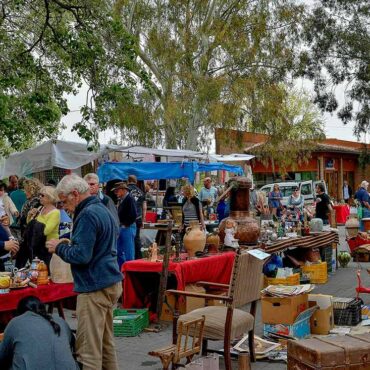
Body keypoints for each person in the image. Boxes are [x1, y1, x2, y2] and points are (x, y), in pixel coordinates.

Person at [46, 174, 122, 370]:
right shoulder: (101, 208)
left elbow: (82, 255)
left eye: (64, 202)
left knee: (88, 352)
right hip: (108, 281)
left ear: (74, 194)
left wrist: (59, 247)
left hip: (94, 286)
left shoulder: (87, 214)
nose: (64, 208)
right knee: (105, 346)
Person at [0, 296, 78, 370]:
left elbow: (2, 355)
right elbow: (72, 346)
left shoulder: (16, 322)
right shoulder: (60, 320)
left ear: (20, 313)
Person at [27, 186, 60, 266]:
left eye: (42, 195)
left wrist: (35, 222)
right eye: (39, 195)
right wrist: (30, 215)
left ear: (50, 197)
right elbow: (29, 225)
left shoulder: (55, 212)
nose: (40, 197)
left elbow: (46, 231)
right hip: (38, 245)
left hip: (49, 247)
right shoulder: (41, 208)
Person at [113, 181, 137, 268]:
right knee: (119, 251)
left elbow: (134, 214)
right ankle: (122, 270)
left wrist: (126, 224)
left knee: (128, 253)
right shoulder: (123, 200)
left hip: (127, 227)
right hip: (123, 227)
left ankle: (129, 272)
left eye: (117, 191)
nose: (116, 193)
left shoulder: (129, 199)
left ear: (123, 190)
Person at [127, 175, 147, 259]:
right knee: (136, 238)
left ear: (128, 181)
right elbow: (144, 207)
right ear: (136, 181)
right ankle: (138, 257)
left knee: (127, 238)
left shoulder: (126, 190)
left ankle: (129, 256)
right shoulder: (141, 192)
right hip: (138, 217)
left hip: (127, 218)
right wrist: (143, 219)